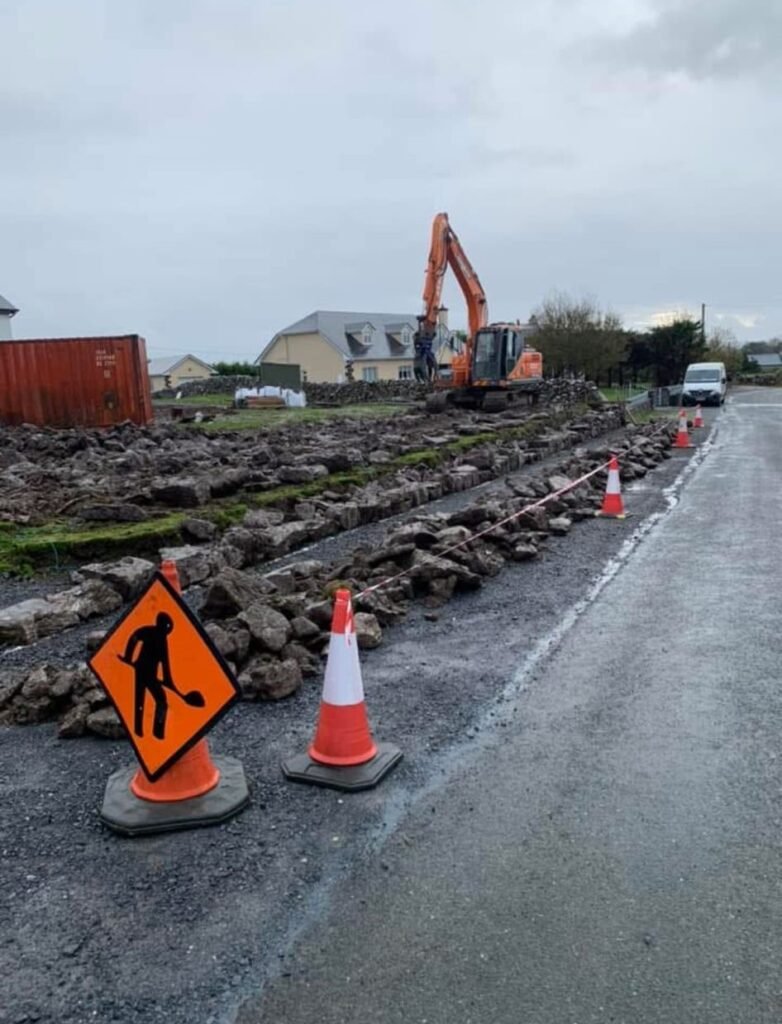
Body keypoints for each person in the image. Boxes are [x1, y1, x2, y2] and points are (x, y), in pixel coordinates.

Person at [119, 612, 177, 741]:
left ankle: (149, 731)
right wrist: (128, 657)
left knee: (149, 699)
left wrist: (168, 681)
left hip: (145, 671)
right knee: (152, 699)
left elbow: (164, 663)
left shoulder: (157, 636)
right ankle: (149, 731)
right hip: (144, 671)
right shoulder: (153, 633)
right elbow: (134, 638)